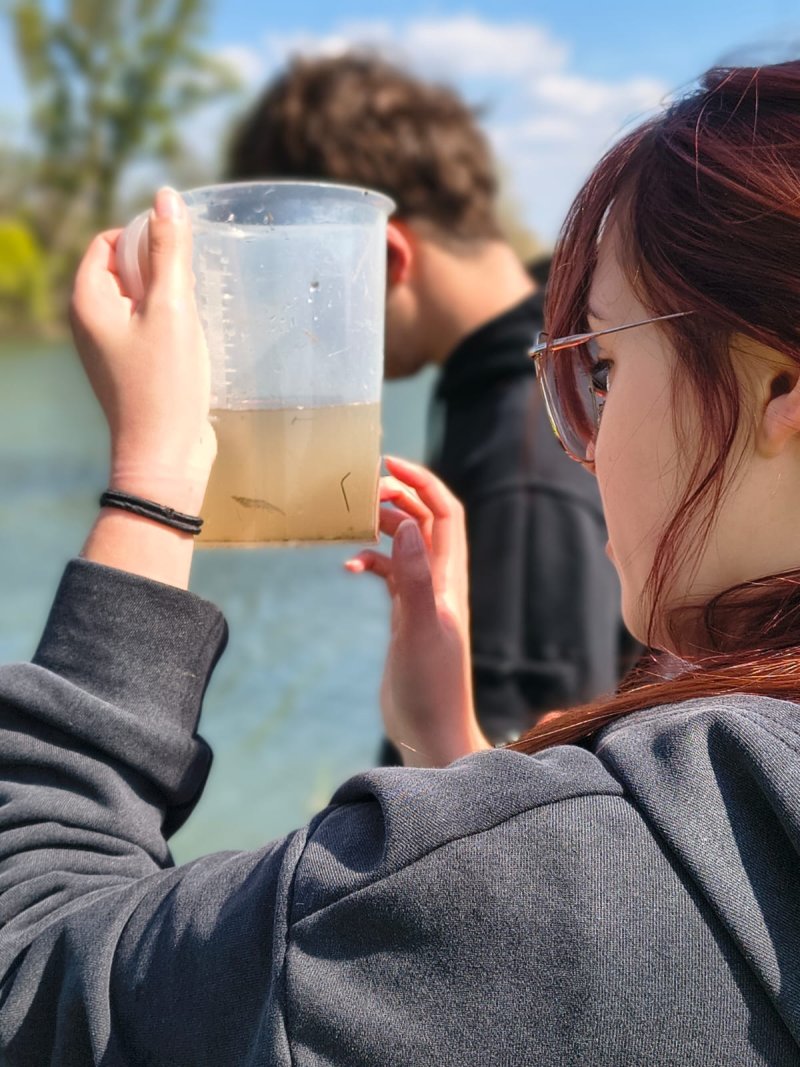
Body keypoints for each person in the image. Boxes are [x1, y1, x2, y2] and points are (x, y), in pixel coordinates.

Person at [1, 58, 800, 1065]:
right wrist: (454, 755)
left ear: (778, 384)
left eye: (598, 363)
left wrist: (154, 474)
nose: (577, 437)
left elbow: (30, 978)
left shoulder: (514, 475)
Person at [227, 53, 629, 749]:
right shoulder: (545, 381)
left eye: (296, 286)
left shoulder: (528, 455)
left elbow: (521, 825)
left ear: (384, 260)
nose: (295, 328)